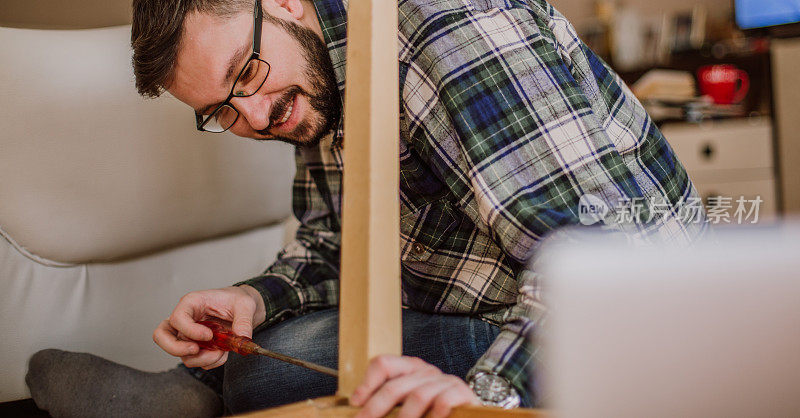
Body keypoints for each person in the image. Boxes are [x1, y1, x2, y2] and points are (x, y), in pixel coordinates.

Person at [26, 0, 708, 416]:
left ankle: (202, 397)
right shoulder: (314, 70)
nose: (256, 116)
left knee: (272, 365)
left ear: (286, 1)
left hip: (622, 323)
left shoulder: (451, 30)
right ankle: (199, 391)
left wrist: (489, 395)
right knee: (271, 344)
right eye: (220, 112)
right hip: (474, 304)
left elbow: (606, 259)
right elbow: (334, 242)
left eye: (244, 74)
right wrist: (258, 299)